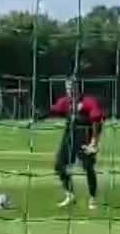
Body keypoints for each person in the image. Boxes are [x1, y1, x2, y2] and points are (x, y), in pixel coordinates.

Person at [31, 77, 105, 210]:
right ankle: (70, 195)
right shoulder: (65, 102)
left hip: (85, 138)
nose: (70, 90)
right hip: (69, 137)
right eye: (68, 88)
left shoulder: (89, 102)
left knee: (88, 167)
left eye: (73, 87)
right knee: (59, 165)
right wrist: (39, 116)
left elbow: (97, 122)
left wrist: (94, 143)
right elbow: (53, 110)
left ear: (78, 87)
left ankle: (93, 198)